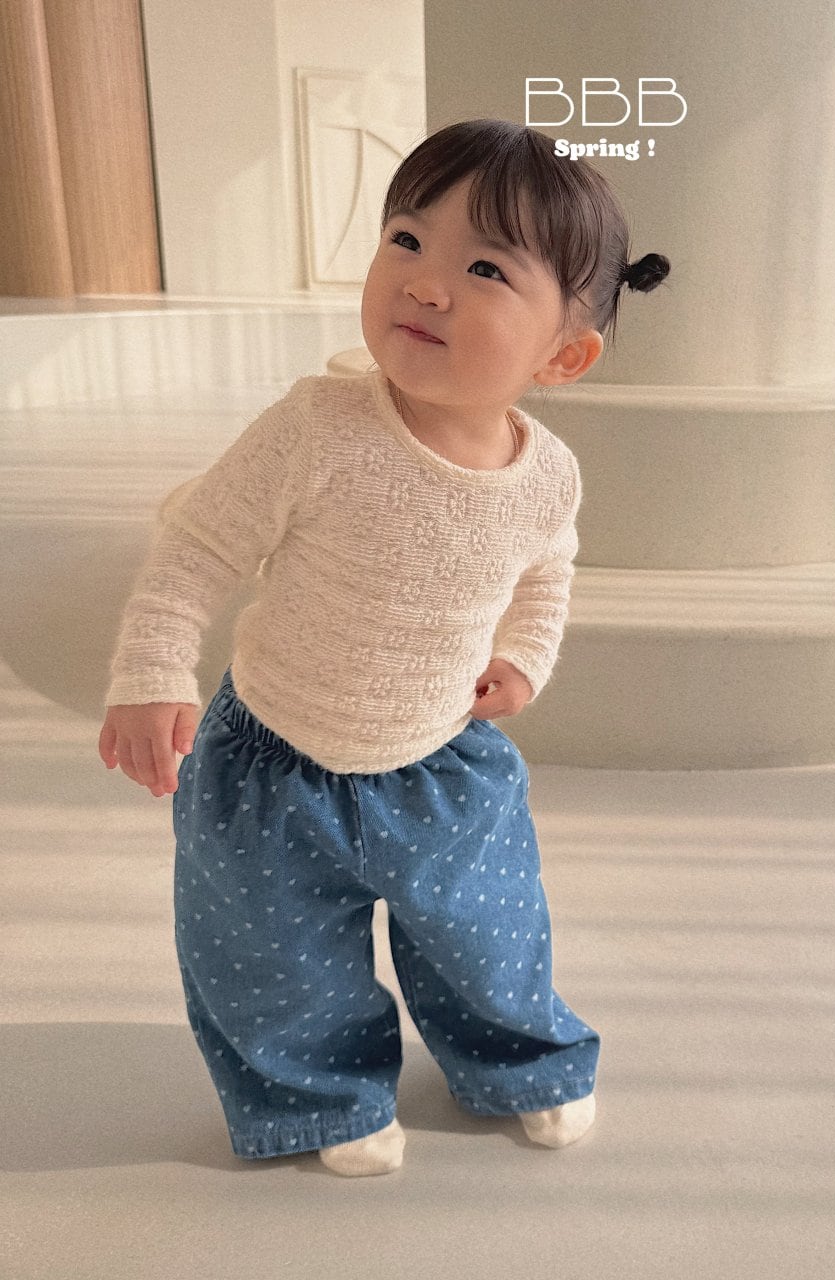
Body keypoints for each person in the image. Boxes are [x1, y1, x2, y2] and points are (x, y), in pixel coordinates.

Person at [97, 118, 670, 1176]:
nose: (425, 283)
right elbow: (197, 547)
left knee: (490, 938)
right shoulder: (317, 426)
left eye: (485, 269)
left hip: (441, 766)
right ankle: (320, 1097)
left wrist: (526, 658)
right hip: (271, 766)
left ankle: (519, 1062)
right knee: (273, 956)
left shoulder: (547, 475)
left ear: (564, 354)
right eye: (405, 239)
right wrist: (151, 669)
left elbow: (548, 573)